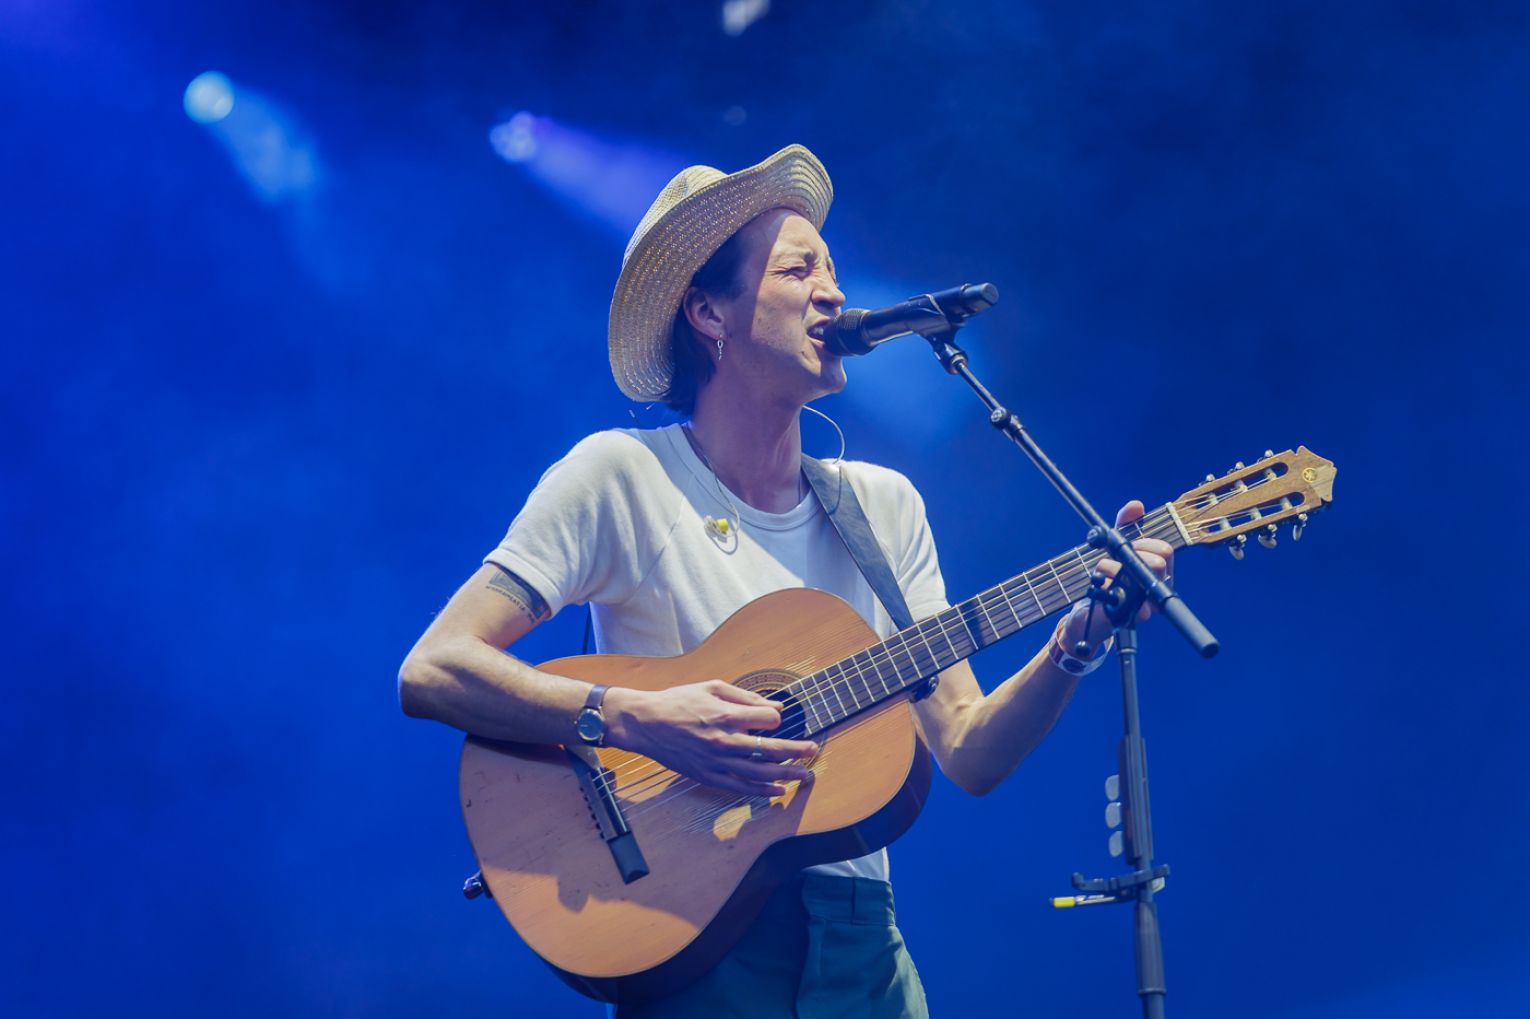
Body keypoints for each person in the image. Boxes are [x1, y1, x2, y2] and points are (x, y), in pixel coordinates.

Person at [398, 144, 1174, 1017]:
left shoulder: (882, 506)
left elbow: (968, 748)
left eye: (834, 269)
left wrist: (1078, 641)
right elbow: (432, 669)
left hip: (864, 942)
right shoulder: (620, 476)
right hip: (693, 933)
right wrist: (637, 717)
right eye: (801, 267)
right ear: (707, 311)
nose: (836, 293)